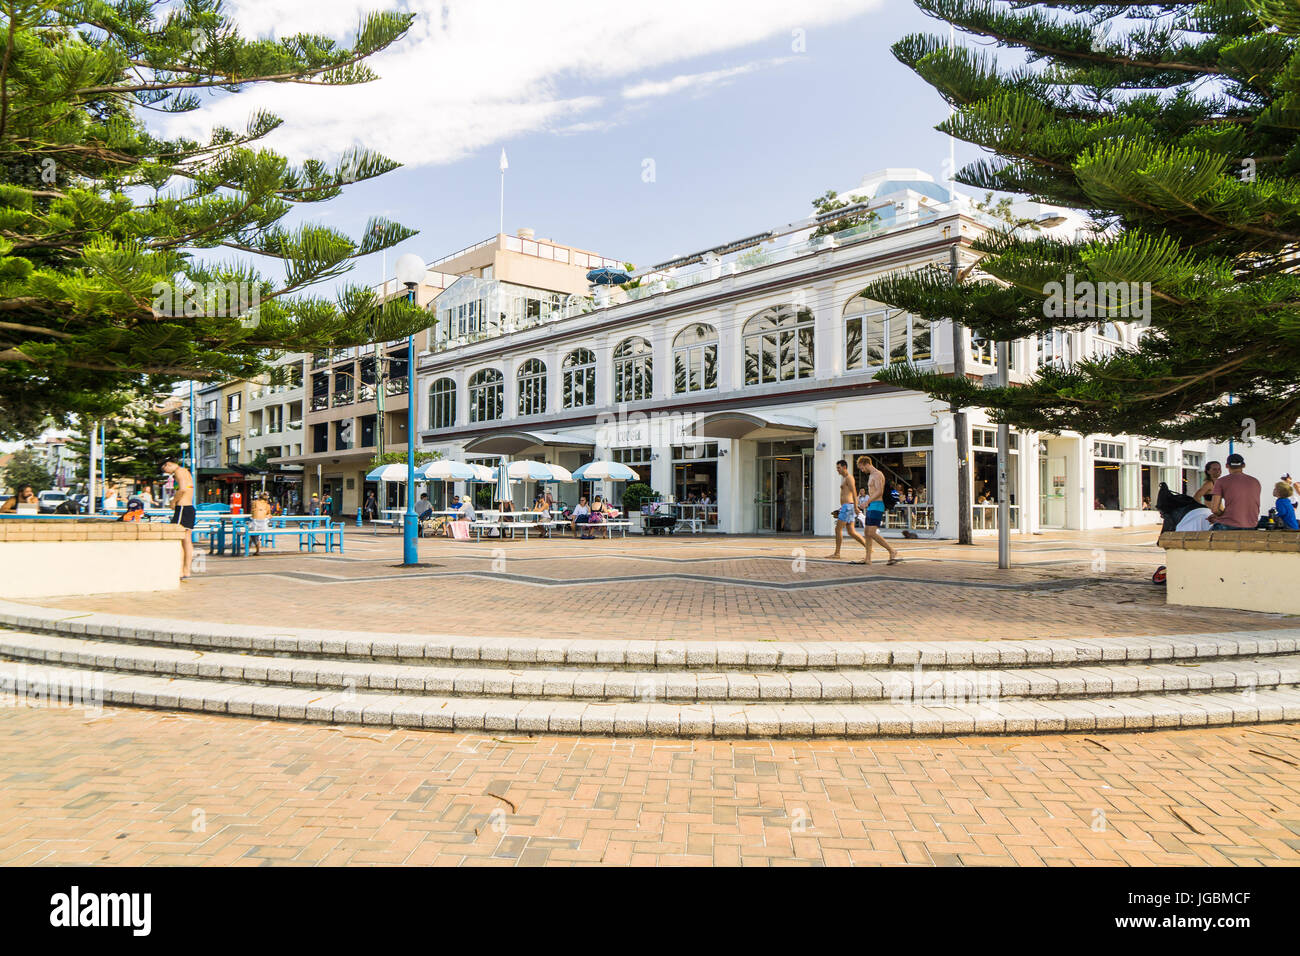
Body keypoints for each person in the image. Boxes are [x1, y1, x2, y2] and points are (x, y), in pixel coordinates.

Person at [855, 455, 902, 566]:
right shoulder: (871, 475)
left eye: (862, 467)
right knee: (867, 532)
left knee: (871, 532)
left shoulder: (877, 474)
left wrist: (867, 502)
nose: (862, 470)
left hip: (877, 505)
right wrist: (868, 503)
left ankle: (892, 551)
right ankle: (868, 558)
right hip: (872, 505)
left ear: (866, 463)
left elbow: (879, 491)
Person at [161, 457, 196, 579]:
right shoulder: (186, 471)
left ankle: (182, 570)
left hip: (182, 507)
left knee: (181, 540)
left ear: (168, 464)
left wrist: (173, 501)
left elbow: (182, 489)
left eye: (165, 469)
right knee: (187, 541)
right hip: (189, 508)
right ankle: (186, 571)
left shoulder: (179, 472)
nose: (166, 473)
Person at [827, 459, 869, 559]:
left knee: (838, 529)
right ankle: (868, 547)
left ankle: (837, 553)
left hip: (848, 507)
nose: (837, 470)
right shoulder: (845, 478)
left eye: (839, 468)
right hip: (847, 506)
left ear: (844, 467)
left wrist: (855, 506)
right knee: (851, 531)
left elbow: (854, 492)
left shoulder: (849, 478)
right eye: (837, 468)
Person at [1208, 453, 1261, 530]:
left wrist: (1221, 515)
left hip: (1228, 525)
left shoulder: (1221, 481)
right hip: (1251, 525)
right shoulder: (1255, 482)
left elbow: (1214, 509)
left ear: (1227, 466)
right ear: (1243, 465)